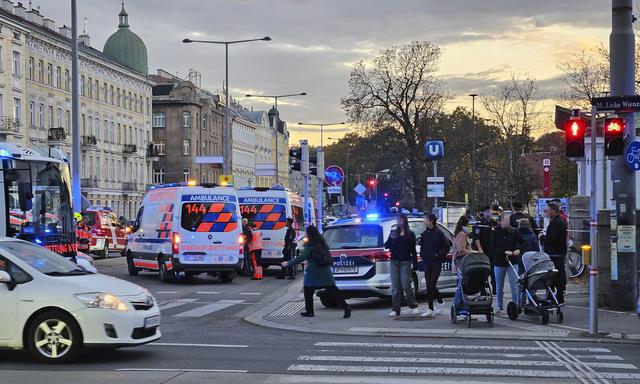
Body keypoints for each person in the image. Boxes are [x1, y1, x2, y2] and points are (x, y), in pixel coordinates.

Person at [281, 225, 351, 318]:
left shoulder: (310, 246)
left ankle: (309, 311)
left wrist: (287, 263)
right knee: (333, 291)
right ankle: (346, 306)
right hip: (325, 271)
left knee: (308, 291)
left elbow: (301, 257)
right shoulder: (322, 244)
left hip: (314, 272)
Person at [385, 213, 419, 317]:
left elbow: (413, 250)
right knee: (395, 287)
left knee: (406, 285)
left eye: (400, 219)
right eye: (397, 219)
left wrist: (415, 263)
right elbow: (386, 246)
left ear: (404, 220)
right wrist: (390, 238)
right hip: (394, 261)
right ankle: (396, 309)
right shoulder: (394, 233)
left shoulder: (410, 234)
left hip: (406, 261)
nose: (398, 221)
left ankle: (413, 305)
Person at [491, 213, 525, 313]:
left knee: (514, 285)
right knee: (499, 285)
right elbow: (492, 247)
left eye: (508, 221)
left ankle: (516, 306)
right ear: (500, 221)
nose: (507, 223)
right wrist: (504, 252)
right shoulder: (496, 233)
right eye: (505, 221)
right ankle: (500, 307)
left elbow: (524, 242)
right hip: (499, 262)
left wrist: (519, 249)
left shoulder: (514, 231)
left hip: (512, 261)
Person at [418, 213, 450, 317]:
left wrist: (438, 254)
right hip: (427, 262)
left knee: (431, 284)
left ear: (431, 220)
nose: (424, 221)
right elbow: (422, 247)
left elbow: (446, 247)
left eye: (426, 219)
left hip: (436, 262)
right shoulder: (424, 234)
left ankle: (430, 308)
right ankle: (439, 302)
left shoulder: (439, 233)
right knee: (429, 285)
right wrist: (423, 255)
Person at [540, 202, 568, 303]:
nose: (546, 211)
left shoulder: (557, 223)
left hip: (555, 254)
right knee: (556, 275)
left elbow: (552, 239)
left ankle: (555, 295)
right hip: (557, 253)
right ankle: (554, 295)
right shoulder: (556, 221)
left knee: (553, 275)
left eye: (548, 209)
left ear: (554, 211)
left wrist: (542, 238)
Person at [472, 205, 497, 293]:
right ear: (483, 213)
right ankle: (482, 289)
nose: (488, 213)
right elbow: (476, 237)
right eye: (486, 211)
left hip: (493, 250)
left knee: (494, 271)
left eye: (489, 211)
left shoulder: (494, 223)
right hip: (483, 250)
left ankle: (495, 289)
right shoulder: (479, 223)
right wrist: (479, 249)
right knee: (483, 270)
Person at [451, 215, 473, 308]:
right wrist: (473, 252)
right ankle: (455, 306)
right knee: (462, 287)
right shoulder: (462, 234)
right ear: (466, 224)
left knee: (462, 286)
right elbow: (462, 250)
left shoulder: (460, 233)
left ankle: (462, 308)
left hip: (460, 262)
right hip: (461, 263)